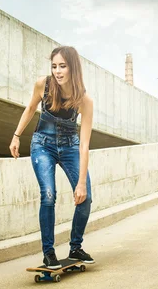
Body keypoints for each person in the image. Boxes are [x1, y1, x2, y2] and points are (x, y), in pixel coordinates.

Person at [9, 46, 95, 269]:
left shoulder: (84, 100)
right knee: (48, 195)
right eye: (54, 66)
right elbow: (29, 109)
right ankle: (48, 253)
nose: (57, 71)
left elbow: (84, 144)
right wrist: (16, 136)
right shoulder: (43, 85)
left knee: (86, 197)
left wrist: (82, 182)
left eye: (63, 66)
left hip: (70, 147)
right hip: (42, 145)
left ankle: (75, 247)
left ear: (73, 68)